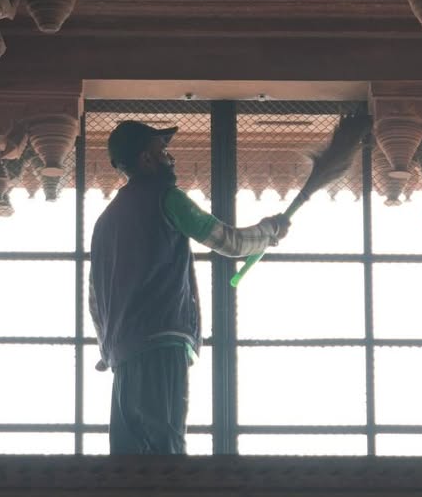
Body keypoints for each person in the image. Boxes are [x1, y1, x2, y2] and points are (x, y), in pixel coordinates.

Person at [88, 119, 291, 454]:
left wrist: (106, 349)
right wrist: (269, 231)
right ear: (146, 159)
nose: (171, 159)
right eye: (163, 151)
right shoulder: (168, 198)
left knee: (127, 462)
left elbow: (95, 299)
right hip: (162, 343)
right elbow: (229, 241)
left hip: (121, 354)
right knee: (167, 451)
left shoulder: (105, 221)